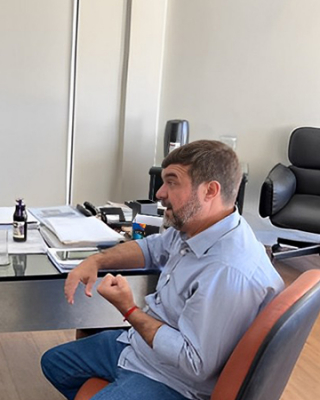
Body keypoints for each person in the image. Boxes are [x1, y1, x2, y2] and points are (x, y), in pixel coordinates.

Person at [40, 140, 284, 400]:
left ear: (210, 191)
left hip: (174, 381)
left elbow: (194, 364)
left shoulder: (227, 270)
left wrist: (129, 309)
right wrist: (96, 261)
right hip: (142, 349)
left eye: (172, 182)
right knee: (54, 363)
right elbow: (151, 248)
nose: (159, 193)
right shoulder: (198, 226)